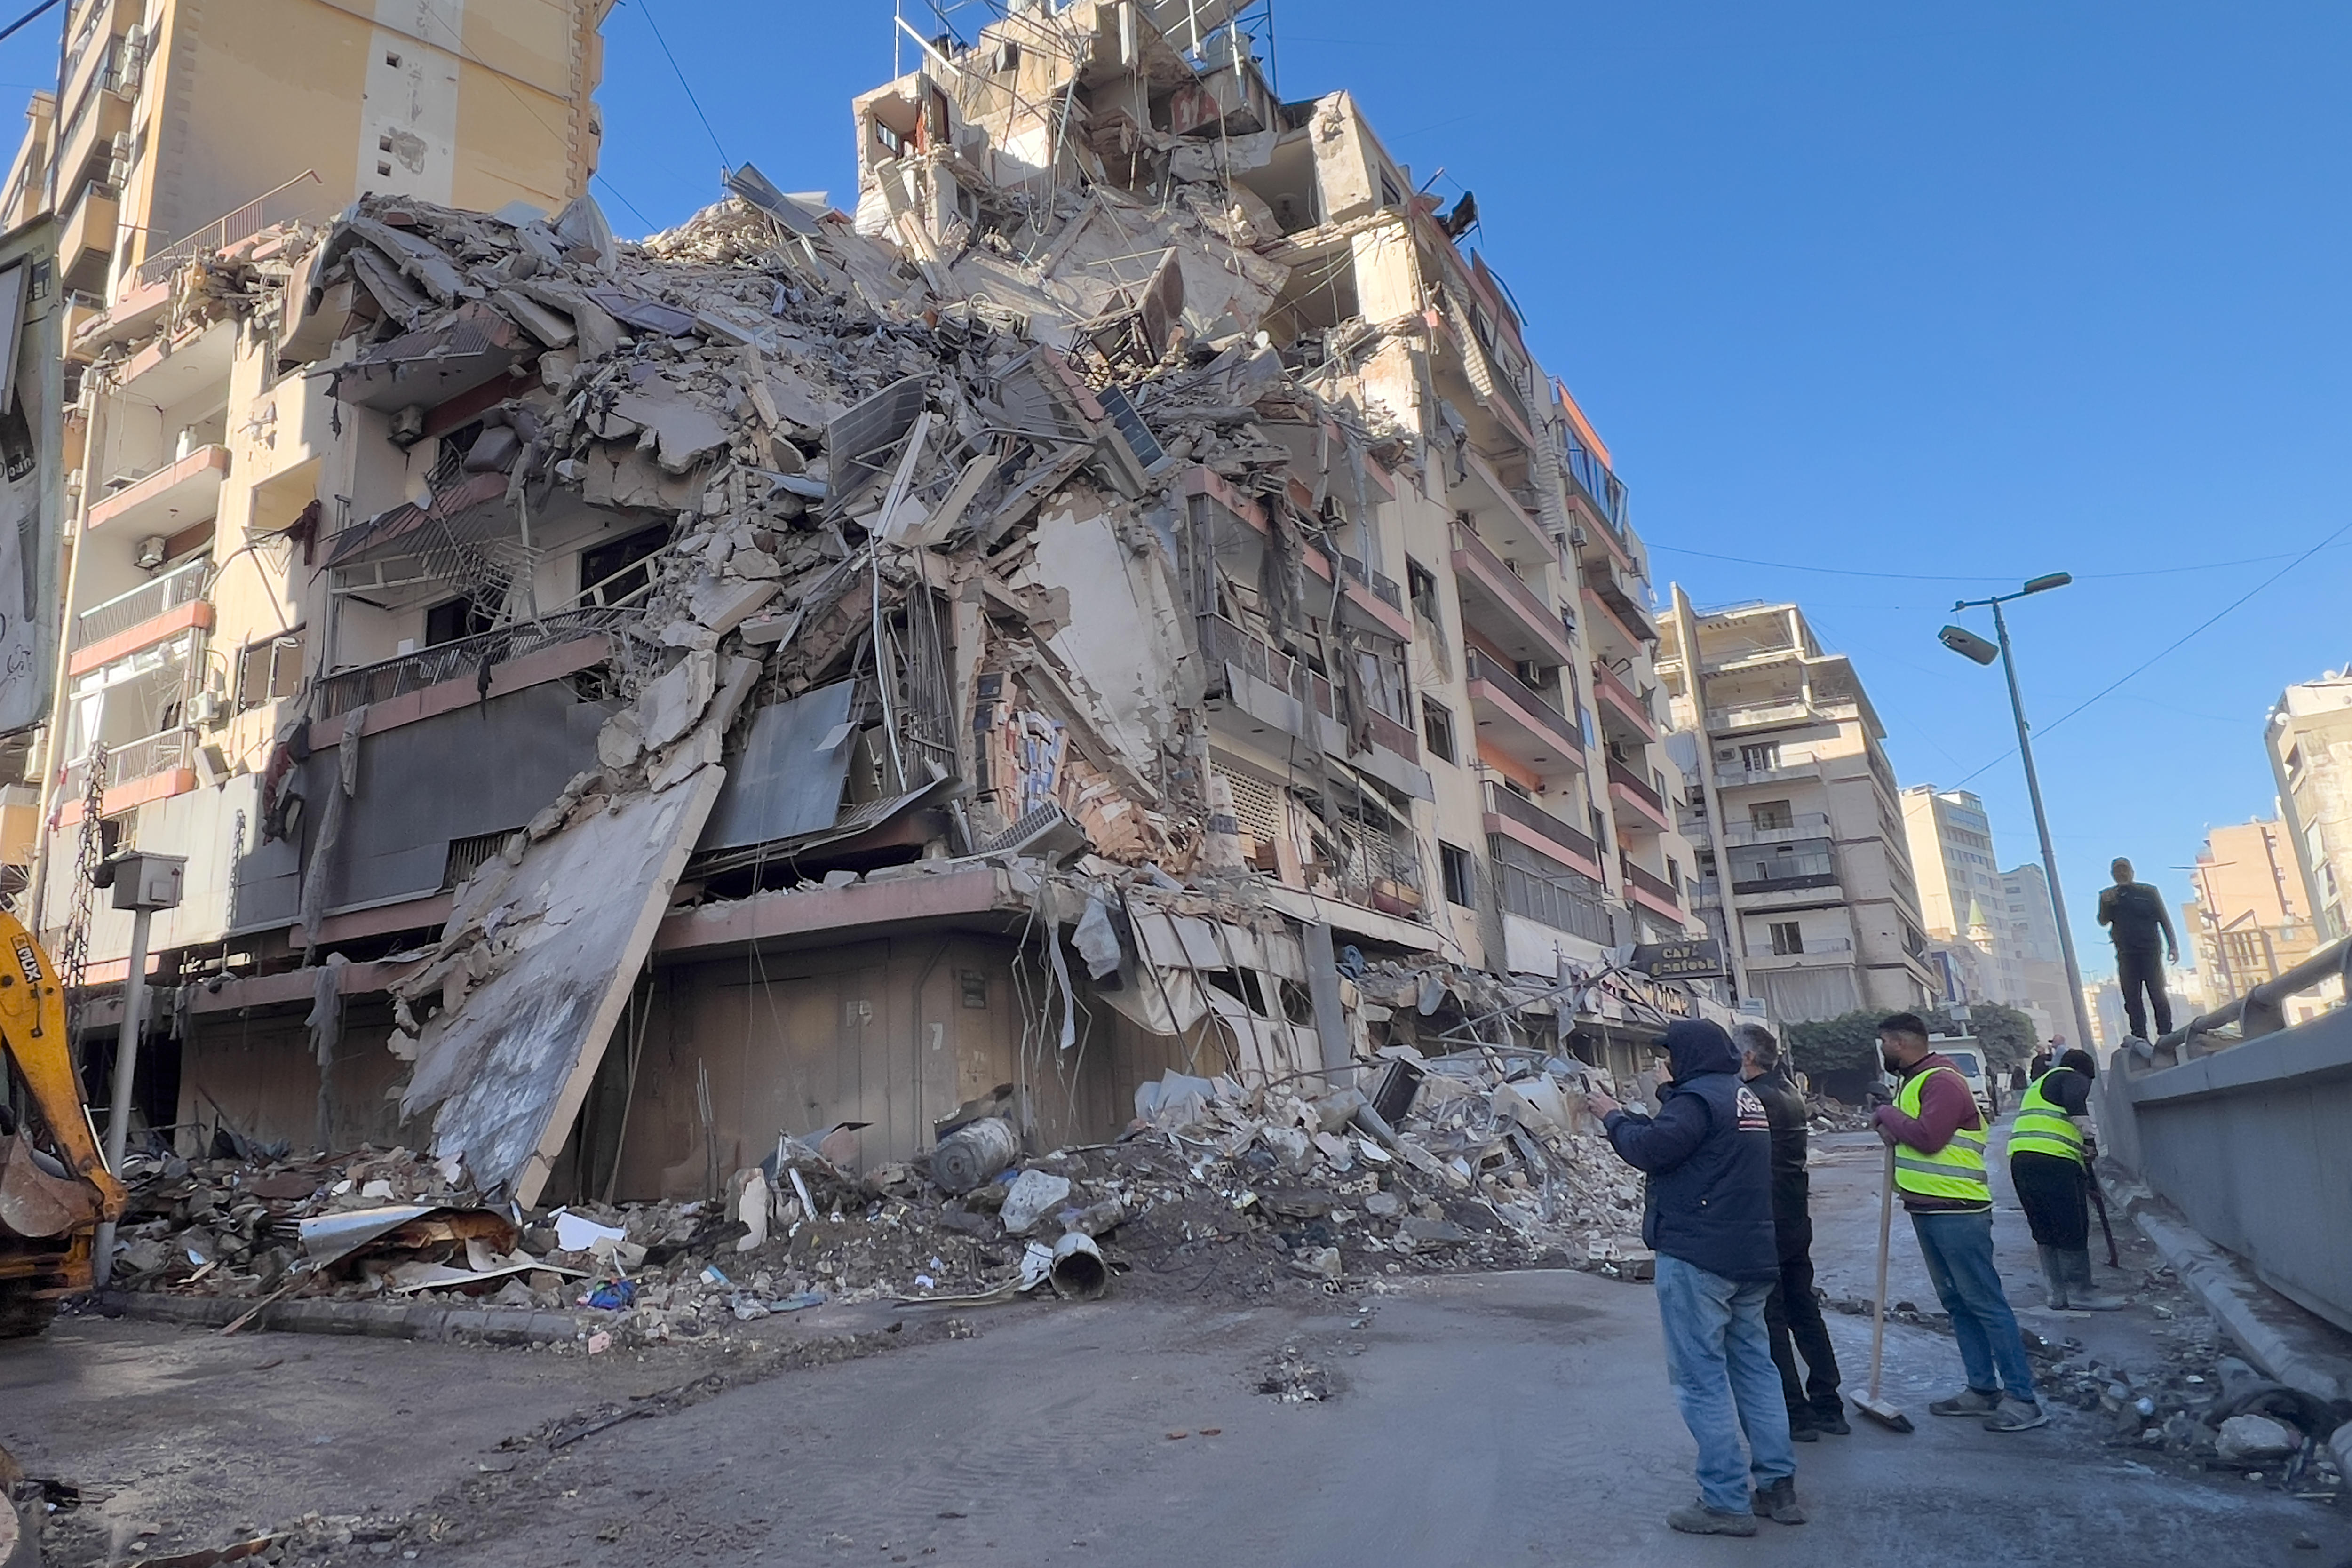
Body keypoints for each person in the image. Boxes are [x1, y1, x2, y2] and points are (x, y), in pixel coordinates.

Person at [1587, 1020, 1802, 1535]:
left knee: (1699, 1379)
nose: (1665, 1064)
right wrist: (1658, 1102)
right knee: (1755, 1369)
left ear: (1686, 1057)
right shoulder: (1739, 1096)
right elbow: (1685, 1134)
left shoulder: (1696, 1101)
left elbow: (1651, 1150)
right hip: (1750, 1253)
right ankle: (1777, 1487)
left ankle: (1724, 1501)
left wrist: (1612, 1117)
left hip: (1699, 1253)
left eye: (1669, 1057)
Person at [1871, 1012, 2048, 1432]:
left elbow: (1930, 1136)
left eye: (1884, 1044)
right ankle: (1982, 1389)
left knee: (1984, 1302)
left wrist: (1886, 1115)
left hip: (1958, 1210)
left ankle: (2022, 1397)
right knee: (1957, 1302)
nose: (1882, 1052)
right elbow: (1909, 1133)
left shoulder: (1942, 1080)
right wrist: (1889, 1121)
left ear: (1899, 1042)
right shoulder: (1914, 1082)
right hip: (1929, 1208)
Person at [1736, 1023, 1847, 1441]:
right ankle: (1828, 1403)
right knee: (1805, 1310)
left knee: (1773, 1317)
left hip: (1767, 1222)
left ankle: (1794, 1412)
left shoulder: (1754, 1097)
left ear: (1748, 1058)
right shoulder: (1788, 1092)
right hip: (1795, 1217)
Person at [2010, 1048, 2123, 1312]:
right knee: (2072, 1224)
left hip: (2022, 1161)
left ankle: (2057, 1293)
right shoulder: (2071, 1076)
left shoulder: (2039, 1085)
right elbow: (2075, 1100)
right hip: (2054, 1162)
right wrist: (2088, 1139)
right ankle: (2081, 1291)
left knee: (2045, 1227)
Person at [2097, 859, 2178, 1042]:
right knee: (2132, 997)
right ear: (2112, 874)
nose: (2121, 873)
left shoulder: (2148, 892)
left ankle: (2166, 1033)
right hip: (2126, 953)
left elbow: (2164, 919)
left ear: (2132, 871)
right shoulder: (2108, 896)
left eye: (2124, 869)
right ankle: (2140, 1035)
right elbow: (2103, 921)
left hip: (2150, 950)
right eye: (2117, 870)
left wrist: (2173, 945)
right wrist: (2107, 904)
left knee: (2157, 993)